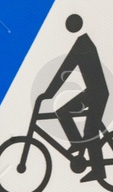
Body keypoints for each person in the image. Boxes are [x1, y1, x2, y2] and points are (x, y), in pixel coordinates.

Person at [40, 14, 109, 180]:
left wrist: (49, 94)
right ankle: (78, 144)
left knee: (90, 130)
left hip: (97, 94)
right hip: (93, 92)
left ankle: (98, 171)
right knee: (63, 112)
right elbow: (66, 69)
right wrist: (48, 94)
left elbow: (66, 69)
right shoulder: (83, 42)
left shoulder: (82, 45)